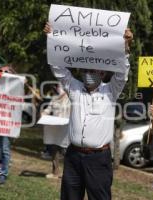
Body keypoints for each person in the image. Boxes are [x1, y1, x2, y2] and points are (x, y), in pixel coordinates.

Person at [44, 23, 133, 200]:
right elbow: (58, 69)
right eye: (85, 70)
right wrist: (51, 38)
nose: (87, 73)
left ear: (102, 72)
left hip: (98, 159)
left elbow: (122, 73)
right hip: (73, 156)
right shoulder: (74, 88)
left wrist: (125, 46)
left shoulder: (110, 91)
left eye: (92, 70)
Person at [41, 84, 70, 179]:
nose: (58, 88)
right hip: (55, 127)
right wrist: (43, 113)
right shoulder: (55, 98)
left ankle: (68, 173)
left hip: (66, 128)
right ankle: (55, 172)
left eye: (60, 86)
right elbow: (48, 109)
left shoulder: (71, 99)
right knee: (54, 150)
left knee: (66, 151)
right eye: (58, 86)